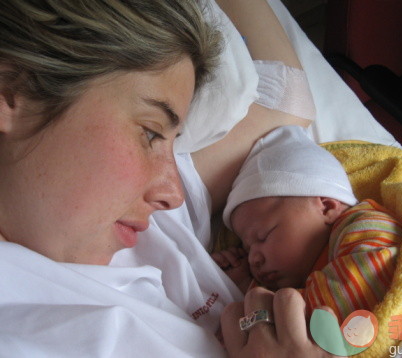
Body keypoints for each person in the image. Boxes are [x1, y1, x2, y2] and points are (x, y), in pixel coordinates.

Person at [0, 0, 338, 356]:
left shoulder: (124, 221)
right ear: (9, 90)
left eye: (172, 140)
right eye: (150, 133)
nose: (173, 194)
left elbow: (287, 101)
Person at [213, 125, 402, 323]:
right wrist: (244, 285)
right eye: (247, 248)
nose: (253, 258)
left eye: (263, 236)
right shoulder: (301, 279)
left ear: (327, 207)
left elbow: (346, 304)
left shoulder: (367, 228)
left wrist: (255, 317)